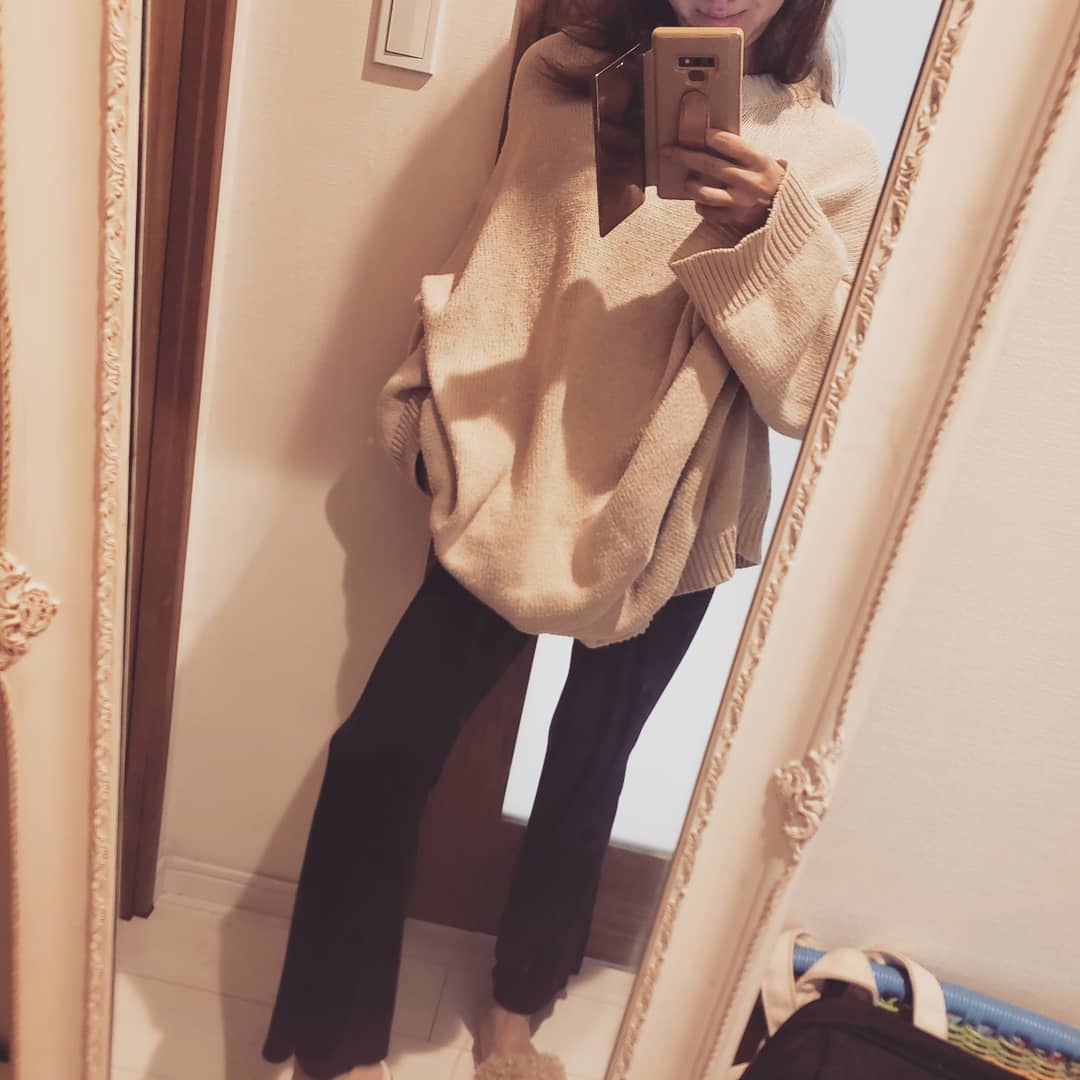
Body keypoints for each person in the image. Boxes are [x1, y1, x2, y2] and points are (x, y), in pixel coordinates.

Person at [262, 1, 881, 1078]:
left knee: (590, 762)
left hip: (675, 501)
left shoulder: (833, 156)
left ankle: (516, 1014)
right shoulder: (561, 77)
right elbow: (496, 262)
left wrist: (769, 230)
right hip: (516, 470)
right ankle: (337, 1049)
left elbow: (809, 394)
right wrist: (427, 392)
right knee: (380, 753)